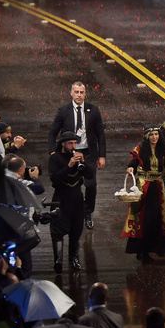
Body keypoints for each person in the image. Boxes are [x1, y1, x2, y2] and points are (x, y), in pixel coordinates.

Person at [48, 82, 107, 230]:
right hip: (69, 153)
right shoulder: (63, 111)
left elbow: (100, 133)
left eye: (81, 92)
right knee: (68, 182)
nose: (79, 95)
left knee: (91, 185)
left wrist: (102, 156)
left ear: (85, 94)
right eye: (76, 92)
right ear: (71, 93)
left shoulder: (93, 110)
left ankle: (87, 212)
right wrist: (52, 151)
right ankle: (67, 211)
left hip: (88, 153)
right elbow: (52, 132)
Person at [123, 125, 165, 263]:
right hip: (143, 188)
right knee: (143, 219)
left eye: (156, 134)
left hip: (158, 188)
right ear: (147, 136)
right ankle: (142, 251)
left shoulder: (162, 150)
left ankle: (157, 248)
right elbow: (133, 163)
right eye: (152, 134)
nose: (154, 137)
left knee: (158, 218)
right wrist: (131, 168)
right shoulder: (140, 150)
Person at [48, 130, 85, 273]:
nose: (73, 146)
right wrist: (68, 166)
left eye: (75, 143)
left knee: (76, 230)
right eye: (70, 143)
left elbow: (88, 175)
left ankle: (73, 258)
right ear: (63, 144)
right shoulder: (55, 158)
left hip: (76, 198)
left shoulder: (78, 156)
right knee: (57, 230)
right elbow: (55, 180)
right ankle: (58, 260)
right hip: (61, 198)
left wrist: (84, 163)